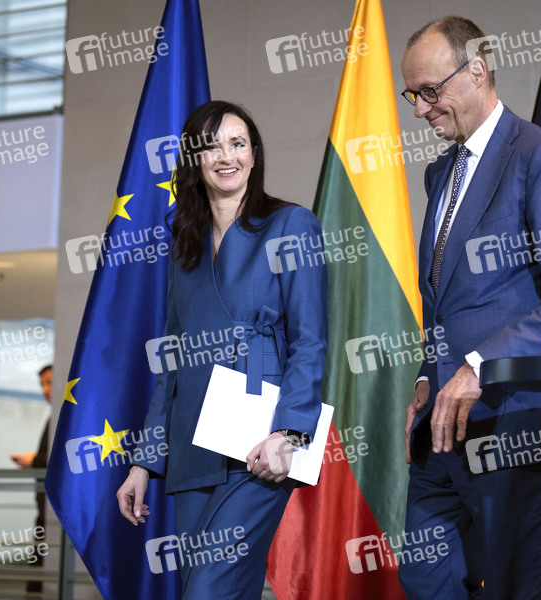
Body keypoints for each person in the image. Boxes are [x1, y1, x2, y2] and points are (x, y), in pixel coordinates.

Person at [399, 16, 541, 599]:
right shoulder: (439, 173)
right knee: (426, 580)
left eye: (429, 91)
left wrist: (479, 365)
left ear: (477, 70)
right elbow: (446, 299)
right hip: (441, 432)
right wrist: (427, 375)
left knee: (517, 588)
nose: (420, 110)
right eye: (412, 95)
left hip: (516, 424)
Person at [115, 101, 327, 599]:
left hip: (260, 440)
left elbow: (311, 338)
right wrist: (145, 461)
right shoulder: (183, 246)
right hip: (193, 444)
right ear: (195, 159)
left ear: (254, 154)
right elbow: (172, 361)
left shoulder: (292, 224)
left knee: (208, 591)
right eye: (212, 146)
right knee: (215, 589)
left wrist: (290, 432)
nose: (226, 156)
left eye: (238, 143)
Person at [10, 364, 52, 597]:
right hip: (45, 509)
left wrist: (34, 460)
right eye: (42, 385)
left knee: (44, 567)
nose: (45, 390)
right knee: (38, 567)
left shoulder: (68, 417)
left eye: (50, 383)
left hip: (55, 512)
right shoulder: (54, 416)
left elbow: (63, 457)